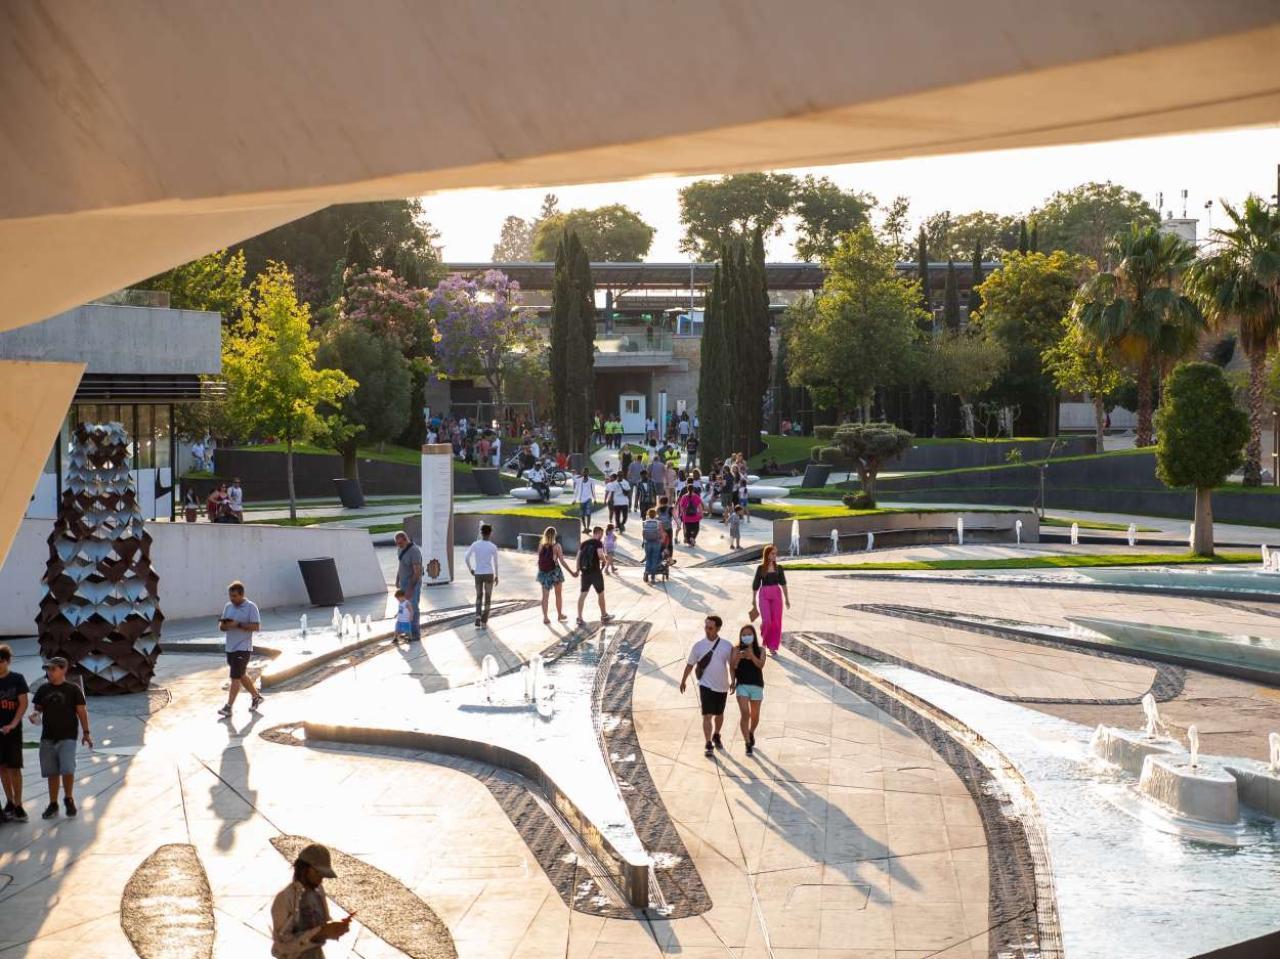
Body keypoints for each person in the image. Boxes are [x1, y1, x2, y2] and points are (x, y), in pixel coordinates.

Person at [29, 656, 90, 819]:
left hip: (67, 736)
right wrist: (35, 715)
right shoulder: (43, 689)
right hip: (48, 737)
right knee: (52, 772)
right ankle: (53, 803)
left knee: (67, 769)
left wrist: (86, 733)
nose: (49, 672)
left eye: (53, 669)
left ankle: (68, 798)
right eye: (48, 669)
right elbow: (38, 708)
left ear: (64, 669)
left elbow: (82, 712)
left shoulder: (73, 689)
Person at [271, 842, 352, 958]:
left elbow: (321, 923)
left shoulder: (318, 892)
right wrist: (320, 933)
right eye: (318, 872)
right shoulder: (285, 898)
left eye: (323, 875)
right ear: (304, 869)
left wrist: (335, 928)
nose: (321, 878)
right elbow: (282, 946)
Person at [679, 615, 734, 758]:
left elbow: (732, 666)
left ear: (718, 629)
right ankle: (708, 743)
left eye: (710, 628)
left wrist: (733, 681)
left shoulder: (726, 646)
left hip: (722, 686)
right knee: (707, 715)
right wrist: (683, 680)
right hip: (705, 685)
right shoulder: (698, 646)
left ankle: (716, 734)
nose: (707, 630)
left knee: (719, 715)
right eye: (706, 627)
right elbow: (690, 664)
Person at [218, 580, 264, 717]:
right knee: (241, 675)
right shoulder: (228, 607)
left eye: (235, 596)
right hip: (230, 647)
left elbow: (256, 627)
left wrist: (238, 625)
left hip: (243, 648)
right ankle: (256, 696)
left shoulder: (251, 607)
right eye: (230, 596)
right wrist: (225, 625)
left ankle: (228, 707)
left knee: (235, 678)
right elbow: (221, 628)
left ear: (241, 594)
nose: (232, 599)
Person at [0, 644, 29, 822]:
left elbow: (23, 704)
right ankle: (9, 802)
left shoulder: (17, 679)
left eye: (1, 660)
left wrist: (13, 724)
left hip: (13, 731)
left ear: (7, 661)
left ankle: (18, 804)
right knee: (2, 768)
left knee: (14, 768)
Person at [730, 623, 766, 755]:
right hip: (742, 685)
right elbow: (732, 667)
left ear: (754, 636)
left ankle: (751, 732)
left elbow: (761, 665)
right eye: (744, 635)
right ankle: (747, 743)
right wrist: (733, 681)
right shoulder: (736, 649)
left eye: (749, 634)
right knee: (745, 713)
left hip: (757, 685)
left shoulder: (760, 650)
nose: (746, 637)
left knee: (755, 716)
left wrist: (751, 655)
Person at [750, 546, 791, 657]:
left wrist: (787, 599)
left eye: (775, 554)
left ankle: (772, 647)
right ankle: (765, 637)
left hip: (776, 594)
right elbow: (756, 584)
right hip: (764, 594)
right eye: (772, 553)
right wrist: (753, 600)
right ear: (767, 554)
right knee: (767, 621)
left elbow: (783, 584)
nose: (774, 556)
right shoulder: (760, 568)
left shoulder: (779, 568)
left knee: (776, 622)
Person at [574, 526, 614, 628]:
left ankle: (579, 618)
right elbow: (600, 555)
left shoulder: (584, 543)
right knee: (600, 594)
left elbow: (578, 557)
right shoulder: (598, 543)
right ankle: (604, 615)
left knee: (582, 594)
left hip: (585, 572)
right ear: (597, 533)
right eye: (600, 534)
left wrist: (578, 570)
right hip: (595, 572)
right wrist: (605, 561)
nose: (601, 536)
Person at [535, 527, 573, 624]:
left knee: (545, 597)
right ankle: (560, 615)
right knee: (558, 595)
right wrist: (571, 572)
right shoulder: (557, 546)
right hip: (555, 572)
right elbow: (562, 561)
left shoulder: (541, 545)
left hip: (544, 573)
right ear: (554, 535)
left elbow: (539, 560)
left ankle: (545, 618)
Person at [464, 523, 499, 628]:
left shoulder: (475, 544)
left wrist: (471, 569)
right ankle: (484, 622)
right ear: (490, 533)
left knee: (479, 596)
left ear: (481, 533)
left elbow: (466, 557)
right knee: (488, 598)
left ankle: (478, 616)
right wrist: (497, 575)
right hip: (489, 574)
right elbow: (496, 563)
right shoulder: (493, 547)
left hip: (478, 574)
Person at [394, 531, 423, 642]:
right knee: (405, 608)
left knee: (413, 607)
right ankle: (408, 632)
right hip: (403, 583)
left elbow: (417, 572)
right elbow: (401, 564)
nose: (399, 546)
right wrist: (397, 579)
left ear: (406, 540)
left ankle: (416, 633)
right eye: (397, 543)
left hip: (413, 583)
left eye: (400, 543)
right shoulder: (400, 549)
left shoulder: (414, 551)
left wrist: (410, 589)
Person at [641, 508, 664, 584]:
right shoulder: (659, 523)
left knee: (648, 558)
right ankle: (653, 578)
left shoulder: (644, 522)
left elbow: (643, 533)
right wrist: (661, 540)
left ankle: (647, 572)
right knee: (654, 559)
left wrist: (643, 541)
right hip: (656, 543)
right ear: (655, 515)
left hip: (647, 542)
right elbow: (661, 534)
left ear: (648, 514)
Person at [678, 482, 704, 548]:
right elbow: (700, 507)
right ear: (693, 490)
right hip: (695, 516)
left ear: (687, 489)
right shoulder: (696, 497)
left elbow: (681, 507)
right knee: (696, 529)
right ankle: (693, 538)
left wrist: (682, 514)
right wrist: (701, 514)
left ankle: (690, 543)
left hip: (686, 517)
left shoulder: (684, 497)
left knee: (688, 530)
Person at [572, 468, 596, 532]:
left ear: (588, 473)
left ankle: (588, 527)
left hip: (589, 498)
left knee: (588, 514)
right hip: (581, 499)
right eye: (584, 472)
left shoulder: (591, 481)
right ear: (582, 473)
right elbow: (576, 490)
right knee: (582, 515)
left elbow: (593, 490)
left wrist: (595, 499)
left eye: (586, 472)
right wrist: (574, 499)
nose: (585, 473)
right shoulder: (579, 481)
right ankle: (584, 527)